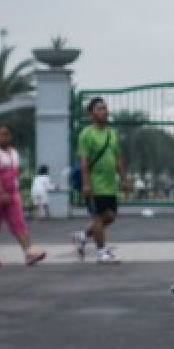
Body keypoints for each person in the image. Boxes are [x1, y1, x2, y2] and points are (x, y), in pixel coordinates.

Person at [0, 125, 47, 266]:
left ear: (10, 137)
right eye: (0, 134)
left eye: (6, 135)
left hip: (12, 196)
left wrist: (15, 190)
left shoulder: (14, 153)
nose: (2, 137)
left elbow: (14, 174)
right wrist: (1, 192)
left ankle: (28, 252)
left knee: (19, 223)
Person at [73, 97, 124, 263]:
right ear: (91, 113)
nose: (104, 111)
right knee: (97, 217)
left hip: (110, 185)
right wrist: (86, 183)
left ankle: (83, 236)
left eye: (105, 108)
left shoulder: (112, 133)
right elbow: (84, 161)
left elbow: (118, 157)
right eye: (100, 109)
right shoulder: (86, 134)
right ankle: (102, 252)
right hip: (94, 185)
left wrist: (124, 178)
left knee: (110, 216)